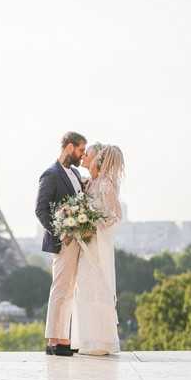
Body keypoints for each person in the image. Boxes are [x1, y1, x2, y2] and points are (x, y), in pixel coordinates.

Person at [35, 131, 87, 356]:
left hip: (77, 240)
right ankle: (54, 341)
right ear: (68, 147)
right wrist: (60, 233)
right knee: (60, 289)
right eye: (80, 150)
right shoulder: (51, 174)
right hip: (63, 241)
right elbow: (41, 209)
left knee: (68, 292)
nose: (82, 155)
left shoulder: (75, 173)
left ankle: (62, 337)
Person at [69, 144, 124, 355]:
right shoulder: (91, 183)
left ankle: (100, 342)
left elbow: (115, 215)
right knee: (84, 288)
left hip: (95, 243)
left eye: (89, 156)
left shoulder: (105, 184)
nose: (85, 158)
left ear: (97, 161)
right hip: (87, 245)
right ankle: (88, 340)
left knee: (97, 289)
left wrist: (93, 226)